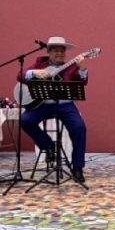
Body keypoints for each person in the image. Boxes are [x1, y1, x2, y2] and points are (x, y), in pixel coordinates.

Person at [18, 36, 91, 183]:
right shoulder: (40, 63)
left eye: (62, 51)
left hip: (65, 104)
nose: (60, 53)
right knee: (25, 120)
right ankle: (48, 145)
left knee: (79, 127)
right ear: (49, 52)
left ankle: (77, 167)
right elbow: (20, 75)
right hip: (43, 104)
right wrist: (35, 73)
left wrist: (83, 68)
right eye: (56, 51)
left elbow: (82, 82)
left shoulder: (71, 66)